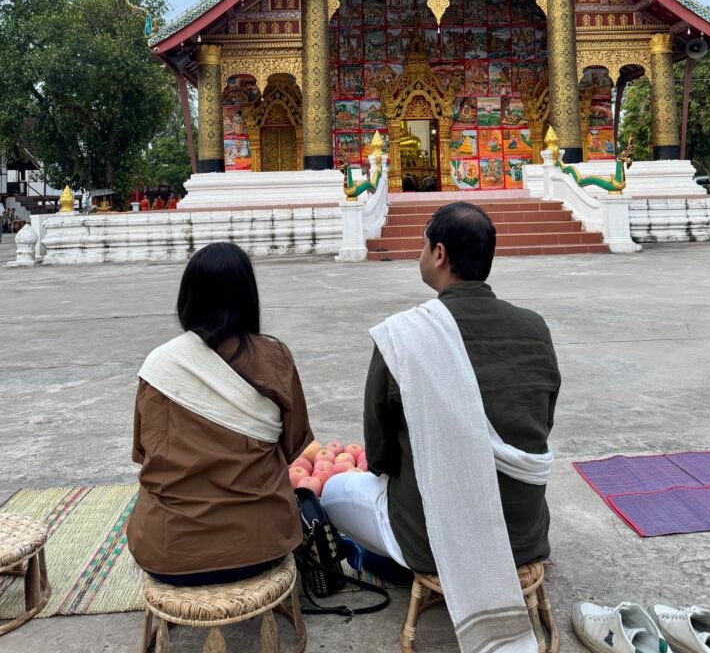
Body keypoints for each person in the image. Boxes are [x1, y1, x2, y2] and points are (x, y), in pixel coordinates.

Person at [321, 201, 560, 651]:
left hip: (431, 540)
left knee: (335, 492)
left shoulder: (402, 336)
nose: (420, 253)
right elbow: (540, 425)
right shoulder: (535, 328)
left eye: (422, 245)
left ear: (440, 254)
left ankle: (394, 565)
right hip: (523, 534)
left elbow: (380, 455)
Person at [127, 242, 313, 584]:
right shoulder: (275, 359)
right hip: (262, 545)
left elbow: (145, 453)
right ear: (247, 297)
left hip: (169, 554)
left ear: (187, 299)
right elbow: (292, 446)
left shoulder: (160, 367)